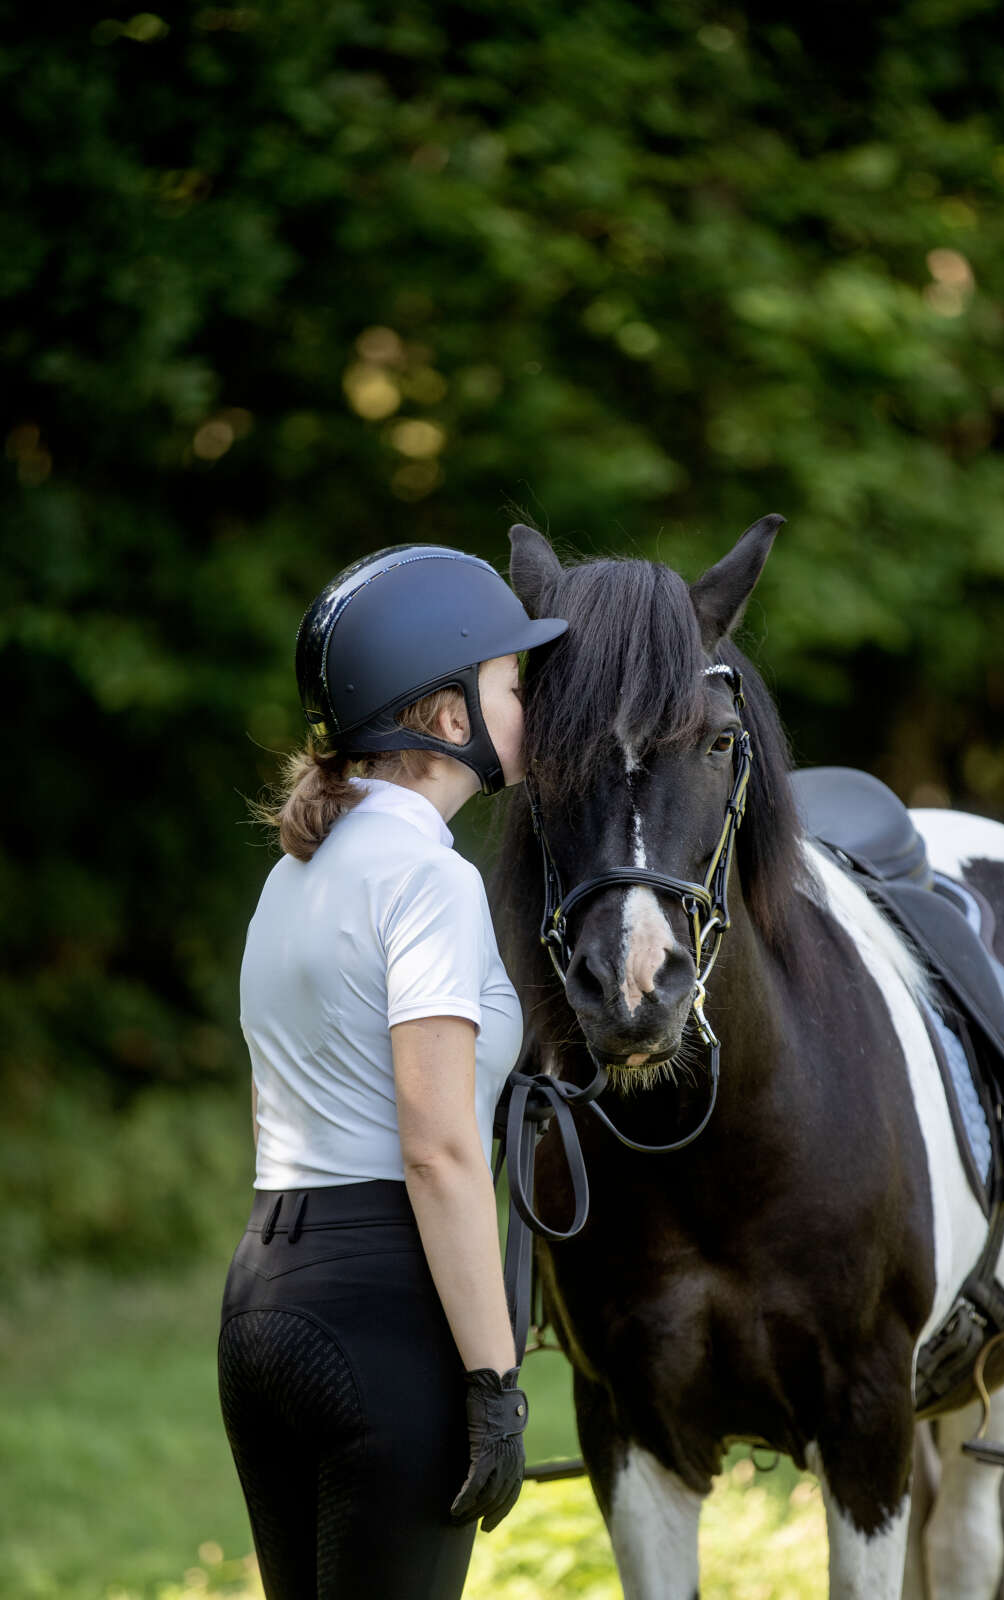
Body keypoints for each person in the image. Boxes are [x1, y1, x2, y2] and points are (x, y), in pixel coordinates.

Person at [217, 543, 568, 1599]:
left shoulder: (294, 872)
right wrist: (494, 1378)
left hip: (262, 1295)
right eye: (513, 683)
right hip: (383, 1309)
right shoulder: (428, 876)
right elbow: (440, 1148)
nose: (530, 707)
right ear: (448, 714)